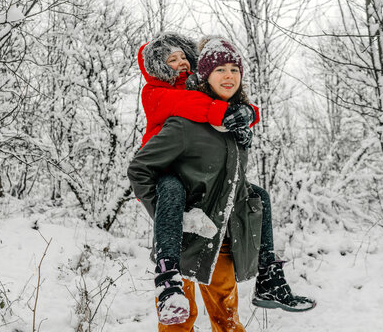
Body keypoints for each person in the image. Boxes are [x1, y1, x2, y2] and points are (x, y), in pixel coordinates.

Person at [129, 36, 315, 331]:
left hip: (220, 241)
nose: (228, 75)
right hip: (183, 239)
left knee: (228, 321)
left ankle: (270, 278)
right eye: (219, 70)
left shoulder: (228, 125)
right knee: (179, 324)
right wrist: (168, 216)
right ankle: (168, 279)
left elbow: (231, 183)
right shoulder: (176, 111)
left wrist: (245, 117)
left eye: (234, 69)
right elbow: (140, 169)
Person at [137, 32, 258, 325]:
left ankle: (270, 271)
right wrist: (225, 113)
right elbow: (189, 105)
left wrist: (248, 114)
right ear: (159, 67)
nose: (180, 63)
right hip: (170, 183)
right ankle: (169, 277)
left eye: (183, 57)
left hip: (211, 208)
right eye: (171, 60)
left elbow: (225, 91)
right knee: (179, 318)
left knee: (226, 312)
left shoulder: (199, 88)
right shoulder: (156, 92)